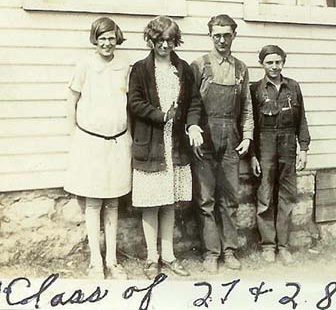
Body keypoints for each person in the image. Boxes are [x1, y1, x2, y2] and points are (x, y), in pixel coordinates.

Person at [128, 16, 202, 279]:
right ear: (151, 40)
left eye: (170, 41)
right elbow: (134, 103)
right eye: (160, 40)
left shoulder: (182, 68)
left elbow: (193, 103)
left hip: (175, 146)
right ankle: (151, 258)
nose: (165, 46)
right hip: (151, 143)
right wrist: (161, 116)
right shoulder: (140, 69)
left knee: (169, 202)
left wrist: (192, 125)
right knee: (151, 203)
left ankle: (169, 256)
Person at [64, 17, 131, 279]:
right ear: (95, 39)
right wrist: (74, 135)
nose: (107, 43)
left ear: (117, 39)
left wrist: (131, 137)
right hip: (90, 141)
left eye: (111, 38)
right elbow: (72, 100)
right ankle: (95, 261)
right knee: (93, 202)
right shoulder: (85, 65)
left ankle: (112, 260)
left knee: (113, 201)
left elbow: (128, 104)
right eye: (102, 38)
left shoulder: (124, 64)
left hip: (118, 141)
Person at [188, 14, 254, 273]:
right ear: (210, 36)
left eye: (227, 35)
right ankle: (210, 253)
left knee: (230, 198)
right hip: (204, 137)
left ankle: (229, 251)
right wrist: (193, 132)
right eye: (217, 35)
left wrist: (247, 136)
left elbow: (247, 107)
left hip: (231, 137)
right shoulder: (199, 66)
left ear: (234, 36)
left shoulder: (241, 69)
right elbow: (190, 105)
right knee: (206, 199)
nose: (222, 40)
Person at [250, 45, 310, 265]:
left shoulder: (293, 87)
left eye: (278, 62)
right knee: (265, 196)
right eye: (269, 62)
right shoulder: (256, 89)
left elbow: (301, 120)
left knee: (287, 196)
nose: (274, 67)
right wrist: (253, 156)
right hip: (265, 145)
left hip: (288, 146)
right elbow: (251, 125)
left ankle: (283, 246)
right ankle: (268, 245)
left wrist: (303, 149)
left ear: (283, 62)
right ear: (262, 64)